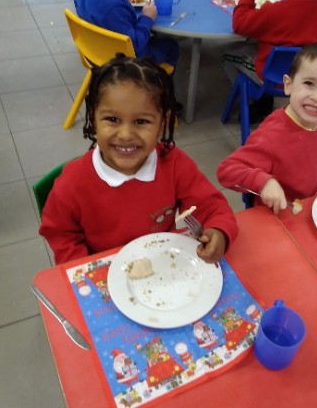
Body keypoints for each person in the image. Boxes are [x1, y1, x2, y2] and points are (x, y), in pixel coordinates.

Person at [39, 56, 238, 265]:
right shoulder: (72, 182)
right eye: (112, 119)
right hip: (103, 271)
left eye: (141, 121)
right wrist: (85, 268)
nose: (125, 135)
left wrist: (219, 231)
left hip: (163, 262)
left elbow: (211, 206)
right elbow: (61, 234)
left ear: (162, 124)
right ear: (93, 118)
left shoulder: (175, 164)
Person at [217, 43, 317, 214]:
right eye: (309, 83)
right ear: (288, 85)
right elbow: (226, 171)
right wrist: (264, 182)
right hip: (280, 216)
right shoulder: (271, 137)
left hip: (314, 209)